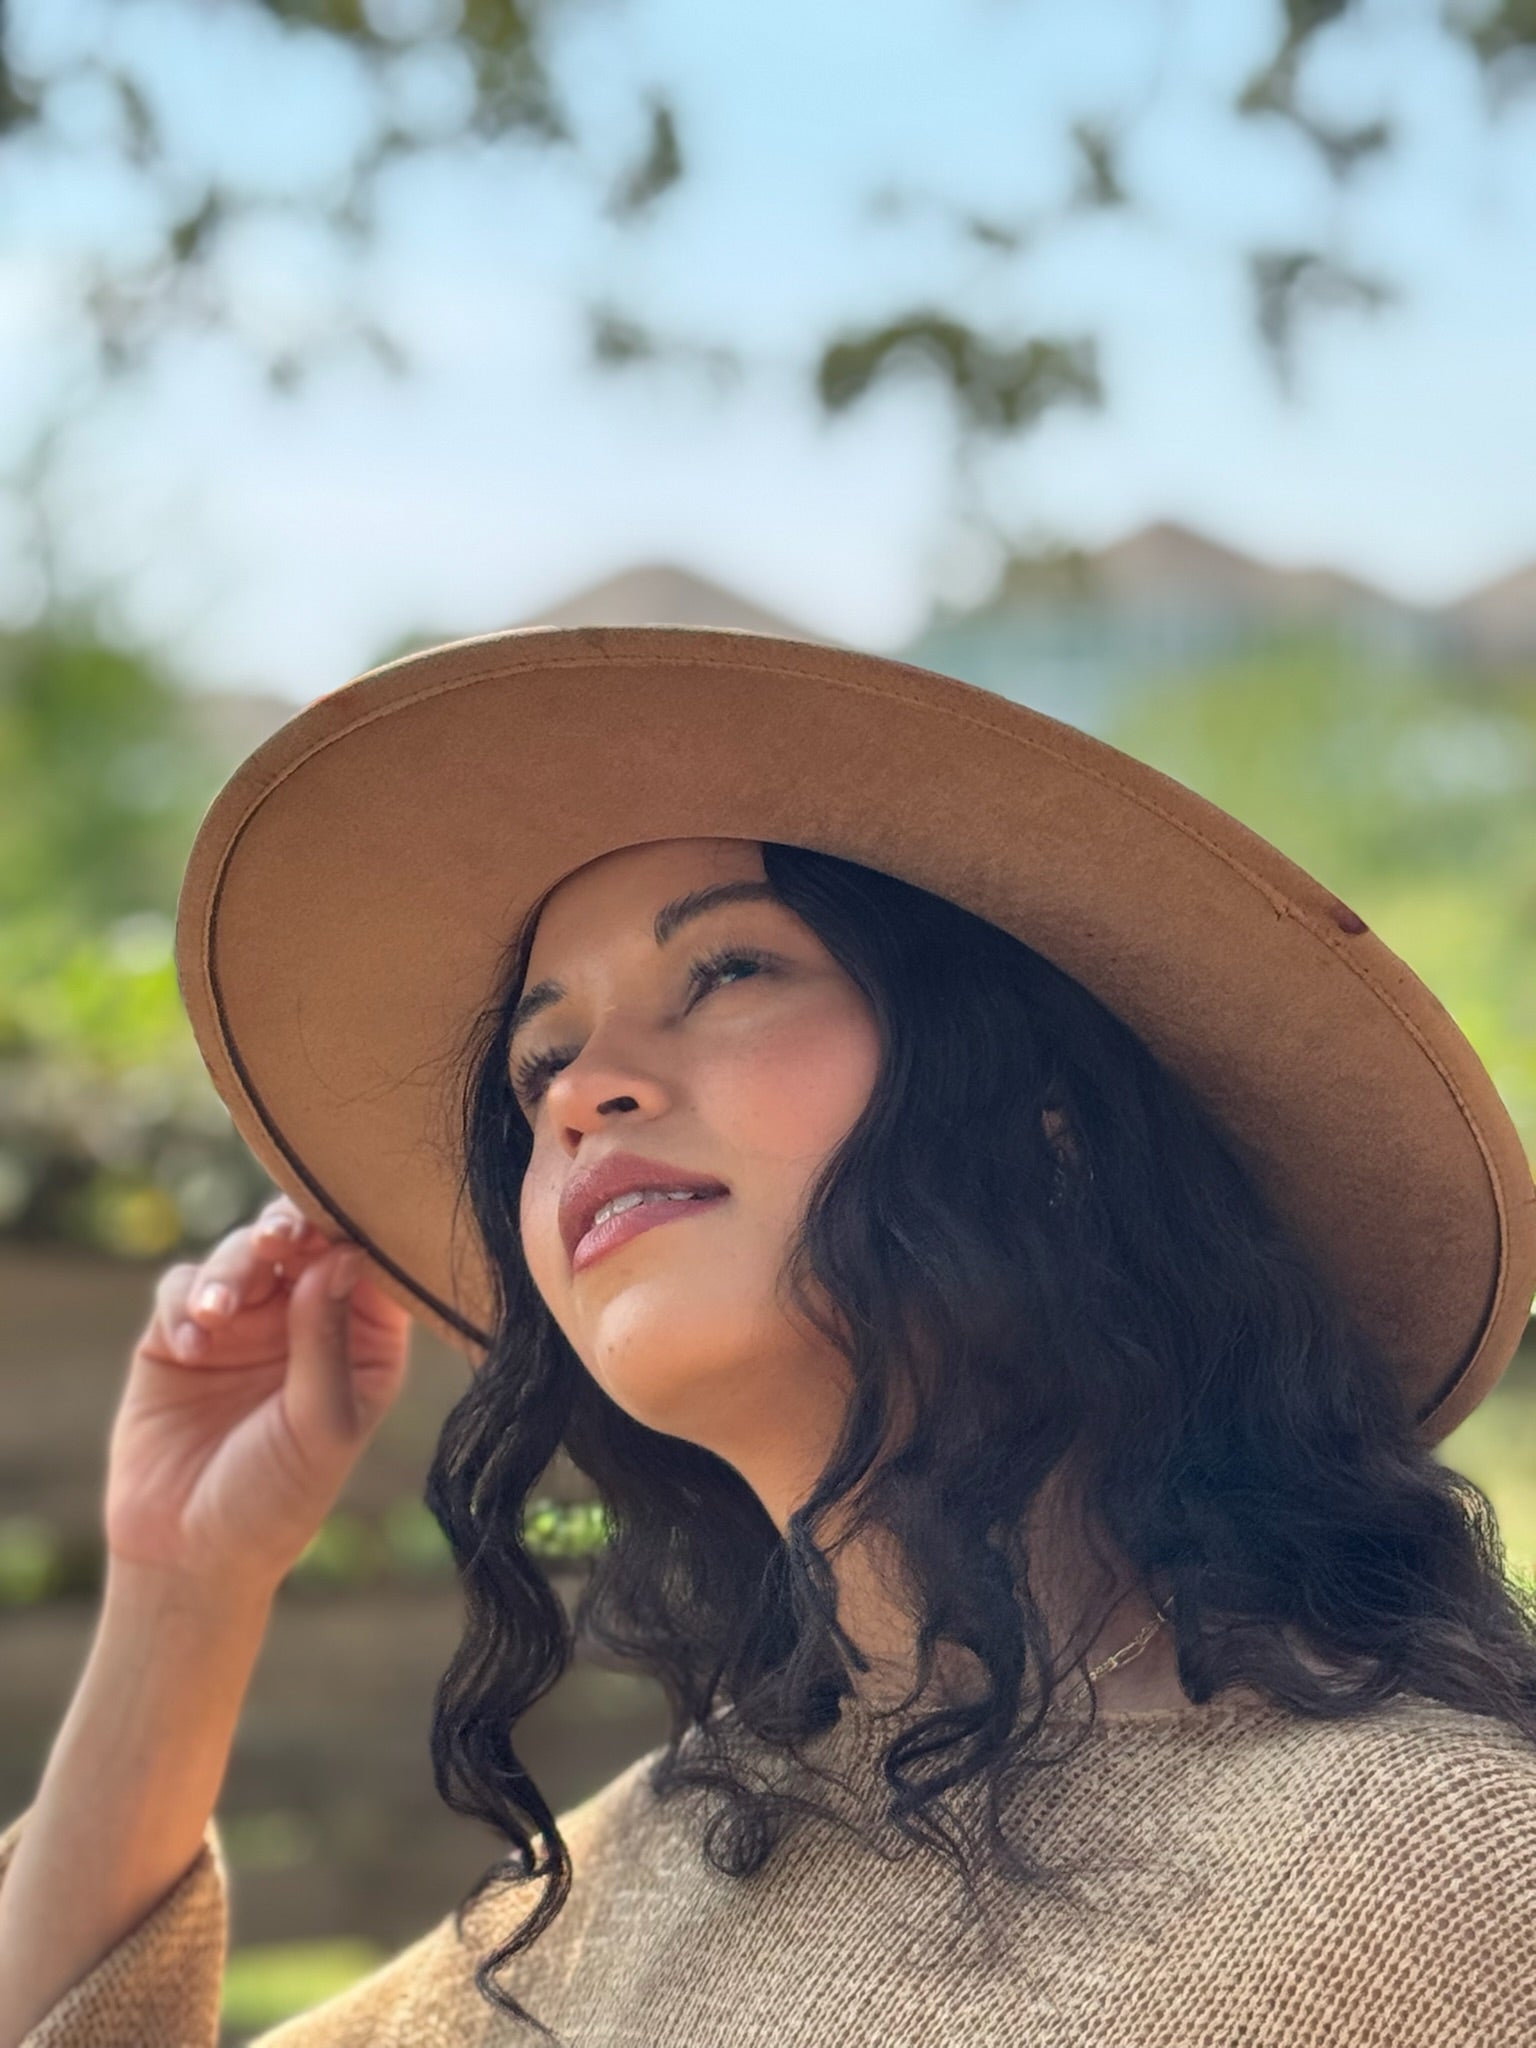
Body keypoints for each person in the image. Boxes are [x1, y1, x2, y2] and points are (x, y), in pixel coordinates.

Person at [2, 626, 1535, 2047]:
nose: (581, 1087)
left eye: (726, 969)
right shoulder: (659, 1861)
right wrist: (180, 1585)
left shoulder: (1431, 1876)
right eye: (540, 1058)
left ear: (1046, 1117)